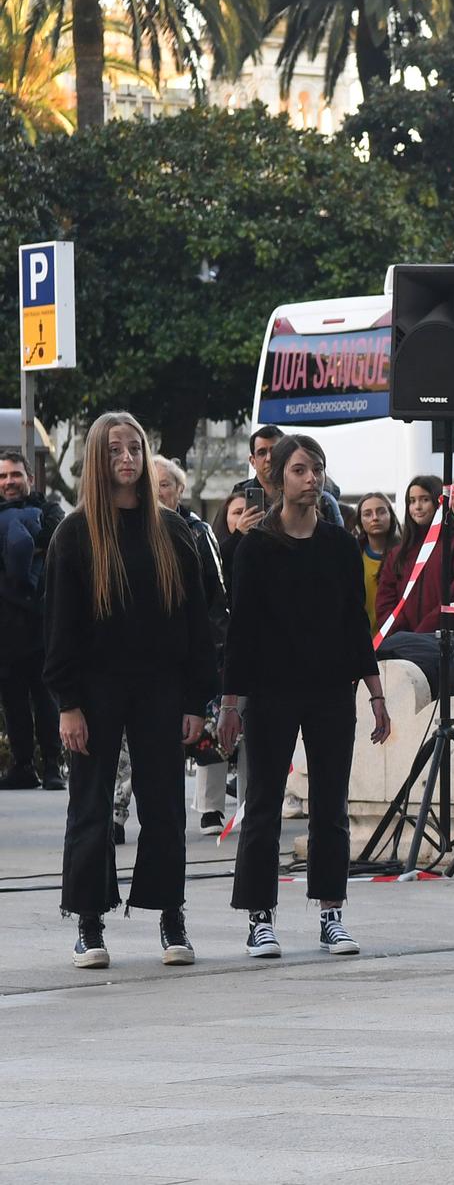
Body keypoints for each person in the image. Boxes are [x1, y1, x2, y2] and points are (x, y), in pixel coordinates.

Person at [46, 413, 217, 969]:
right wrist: (68, 704)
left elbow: (196, 625)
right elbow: (61, 628)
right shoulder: (73, 535)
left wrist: (197, 702)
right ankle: (90, 925)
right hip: (94, 690)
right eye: (116, 450)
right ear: (99, 460)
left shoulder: (171, 531)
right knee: (91, 805)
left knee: (165, 805)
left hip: (161, 687)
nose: (127, 458)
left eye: (135, 449)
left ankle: (172, 916)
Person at [218, 435, 389, 958]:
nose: (311, 478)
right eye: (300, 469)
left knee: (330, 806)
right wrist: (230, 705)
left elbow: (355, 622)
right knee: (264, 806)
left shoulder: (339, 543)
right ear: (277, 479)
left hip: (331, 691)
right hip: (271, 692)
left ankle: (331, 912)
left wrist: (376, 691)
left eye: (316, 469)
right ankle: (259, 919)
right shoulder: (256, 547)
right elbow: (241, 630)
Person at [151, 457, 230, 833]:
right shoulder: (130, 528)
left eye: (165, 483)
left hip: (194, 645)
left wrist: (215, 648)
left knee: (206, 728)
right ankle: (117, 814)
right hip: (149, 655)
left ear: (180, 490)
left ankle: (211, 808)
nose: (158, 490)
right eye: (153, 483)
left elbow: (215, 595)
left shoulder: (197, 531)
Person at [0, 448, 66, 790]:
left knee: (46, 698)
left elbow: (56, 537)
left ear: (30, 477)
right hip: (6, 630)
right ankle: (23, 766)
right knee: (13, 702)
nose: (9, 482)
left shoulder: (49, 509)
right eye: (3, 476)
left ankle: (53, 765)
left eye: (15, 475)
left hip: (44, 625)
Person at [375, 474, 454, 694]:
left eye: (424, 499)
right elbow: (385, 604)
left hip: (445, 652)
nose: (417, 506)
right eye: (412, 500)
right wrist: (402, 639)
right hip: (401, 654)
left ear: (439, 501)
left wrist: (418, 638)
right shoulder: (398, 554)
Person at [233, 424, 343, 528]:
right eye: (262, 452)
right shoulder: (240, 497)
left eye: (275, 451)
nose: (269, 458)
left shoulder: (325, 501)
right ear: (252, 461)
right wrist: (238, 532)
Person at [354, 493, 401, 637]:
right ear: (360, 521)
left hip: (397, 638)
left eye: (381, 512)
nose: (375, 518)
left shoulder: (405, 554)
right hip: (362, 638)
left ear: (391, 515)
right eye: (367, 514)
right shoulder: (353, 555)